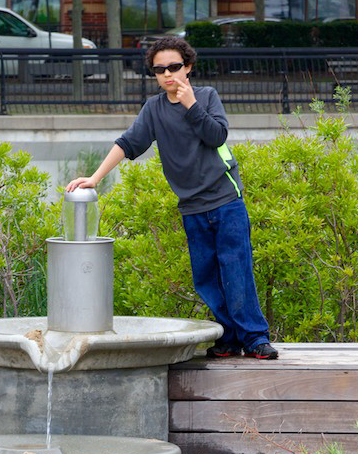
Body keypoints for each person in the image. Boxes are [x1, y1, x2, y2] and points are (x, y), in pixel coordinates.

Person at [65, 36, 277, 359]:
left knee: (236, 270)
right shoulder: (153, 109)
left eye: (174, 67)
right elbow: (128, 143)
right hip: (192, 207)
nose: (168, 75)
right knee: (205, 277)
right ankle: (230, 337)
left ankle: (255, 338)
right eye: (160, 69)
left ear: (188, 67)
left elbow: (217, 135)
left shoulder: (206, 97)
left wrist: (190, 105)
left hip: (225, 200)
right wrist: (94, 178)